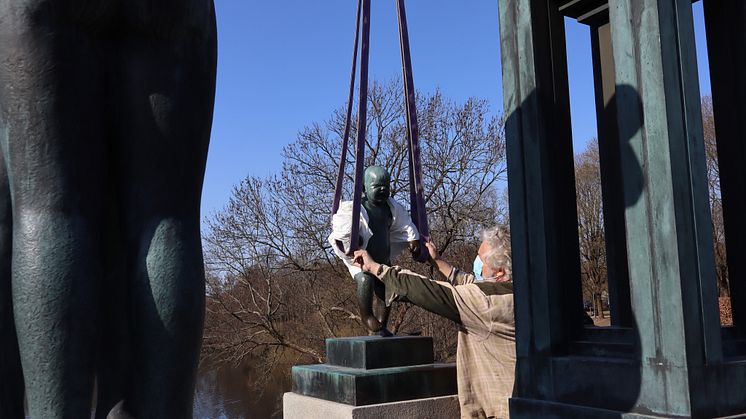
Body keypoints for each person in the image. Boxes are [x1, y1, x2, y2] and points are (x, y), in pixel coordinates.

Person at [353, 226, 515, 419]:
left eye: (481, 260)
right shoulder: (517, 290)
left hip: (502, 412)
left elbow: (430, 292)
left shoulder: (486, 304)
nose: (477, 262)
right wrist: (437, 261)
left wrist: (377, 268)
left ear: (499, 272)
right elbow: (471, 282)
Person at [328, 166, 420, 336]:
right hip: (360, 261)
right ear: (363, 189)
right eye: (377, 186)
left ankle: (382, 326)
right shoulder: (356, 209)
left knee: (387, 289)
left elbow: (405, 223)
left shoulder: (391, 208)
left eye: (386, 185)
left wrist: (413, 239)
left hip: (382, 260)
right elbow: (341, 227)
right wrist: (352, 239)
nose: (383, 189)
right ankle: (367, 315)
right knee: (365, 282)